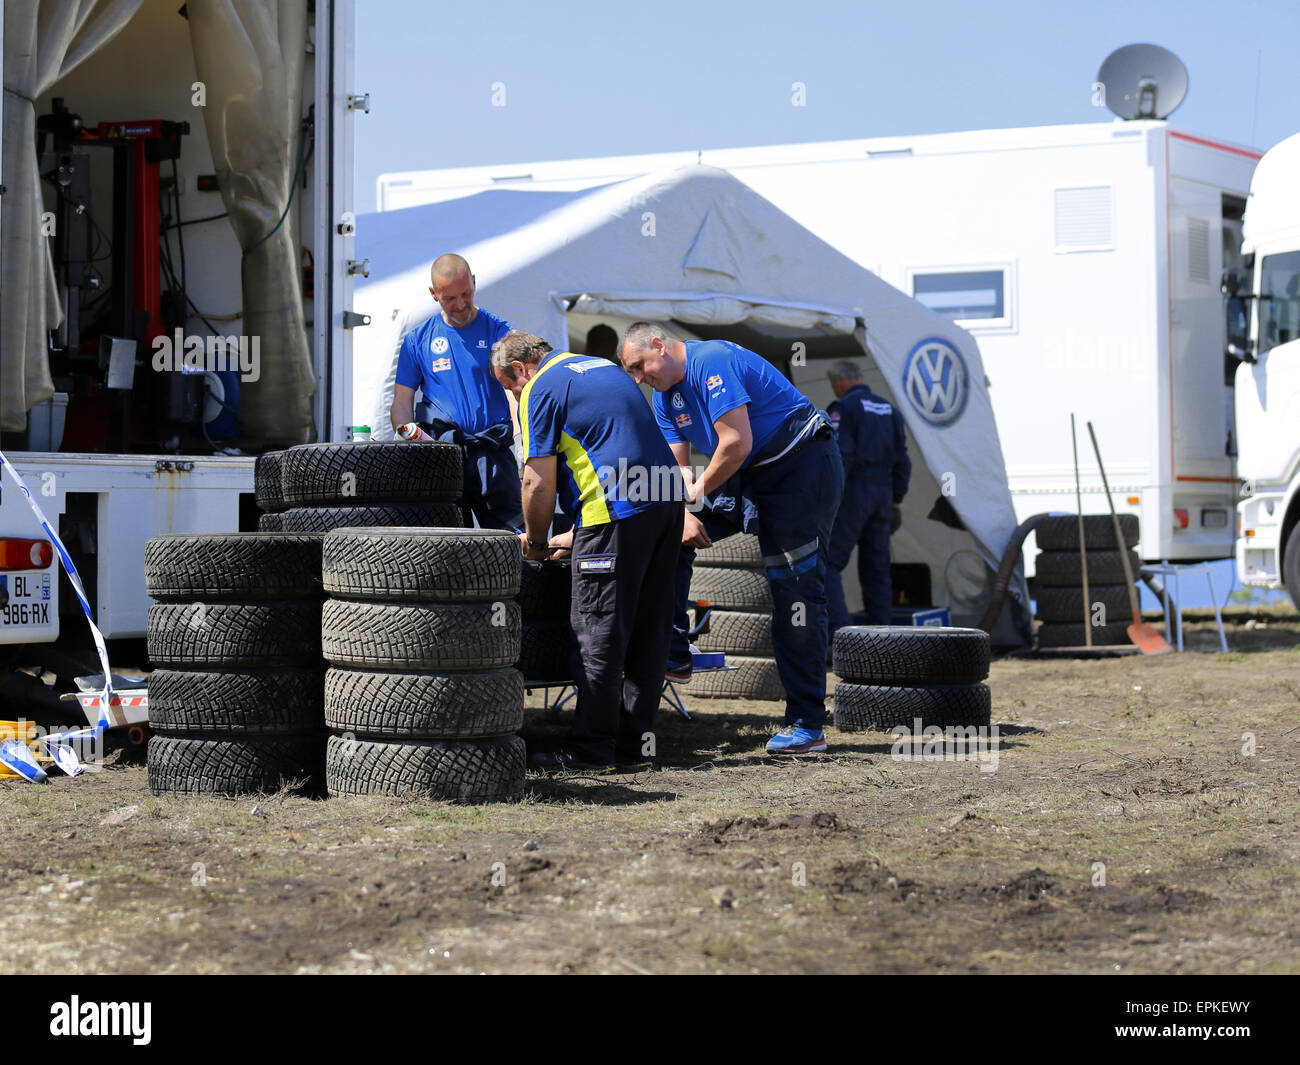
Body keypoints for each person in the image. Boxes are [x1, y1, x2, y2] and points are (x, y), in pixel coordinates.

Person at [619, 322, 843, 755]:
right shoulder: (665, 398)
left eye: (638, 367)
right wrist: (681, 512)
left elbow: (736, 442)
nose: (638, 379)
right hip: (750, 475)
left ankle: (807, 724)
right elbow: (678, 471)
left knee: (794, 596)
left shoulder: (711, 361)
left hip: (800, 465)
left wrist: (695, 497)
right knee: (668, 532)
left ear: (660, 346)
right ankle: (675, 649)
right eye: (631, 372)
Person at [491, 331, 685, 773]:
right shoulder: (600, 366)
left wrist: (537, 543)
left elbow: (536, 481)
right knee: (649, 631)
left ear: (521, 370)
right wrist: (581, 534)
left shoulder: (539, 386)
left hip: (615, 509)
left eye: (509, 387)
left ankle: (591, 752)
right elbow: (612, 443)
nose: (513, 396)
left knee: (597, 634)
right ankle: (637, 749)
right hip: (664, 501)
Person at [391, 253, 524, 531]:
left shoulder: (500, 332)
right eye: (450, 298)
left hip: (494, 452)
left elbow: (516, 391)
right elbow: (402, 402)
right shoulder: (418, 340)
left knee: (512, 542)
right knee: (447, 545)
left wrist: (522, 440)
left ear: (474, 283)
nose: (461, 305)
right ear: (433, 294)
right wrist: (407, 437)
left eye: (466, 294)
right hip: (442, 456)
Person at [825, 360, 910, 630]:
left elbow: (841, 456)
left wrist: (830, 496)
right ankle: (882, 635)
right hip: (883, 495)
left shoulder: (843, 408)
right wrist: (896, 498)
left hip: (854, 492)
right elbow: (903, 461)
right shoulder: (890, 410)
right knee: (877, 568)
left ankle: (837, 633)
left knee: (828, 563)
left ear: (839, 381)